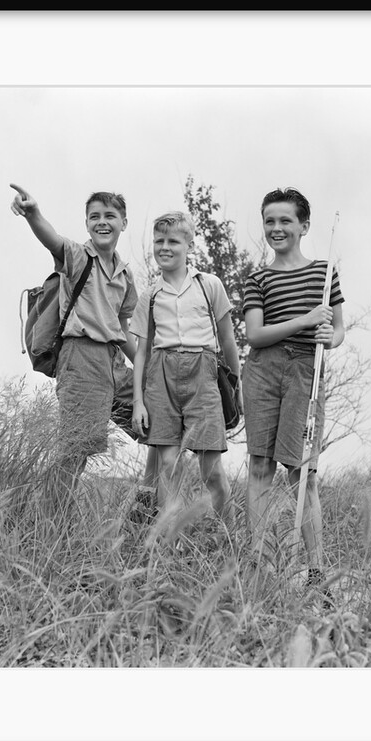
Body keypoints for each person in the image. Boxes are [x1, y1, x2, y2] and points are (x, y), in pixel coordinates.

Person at [9, 183, 158, 517]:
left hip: (113, 362)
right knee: (75, 449)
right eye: (94, 216)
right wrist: (34, 214)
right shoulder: (78, 257)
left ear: (124, 222)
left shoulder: (125, 276)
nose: (102, 222)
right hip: (81, 358)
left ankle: (145, 511)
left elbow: (121, 329)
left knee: (159, 425)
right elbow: (53, 239)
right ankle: (48, 521)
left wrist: (145, 371)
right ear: (87, 223)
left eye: (110, 215)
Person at [241, 187, 345, 594]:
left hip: (305, 371)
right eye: (270, 221)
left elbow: (336, 330)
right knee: (259, 468)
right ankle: (258, 565)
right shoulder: (258, 278)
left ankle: (316, 574)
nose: (276, 228)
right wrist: (305, 319)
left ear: (303, 225)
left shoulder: (324, 272)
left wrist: (328, 334)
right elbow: (255, 334)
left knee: (302, 474)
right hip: (263, 372)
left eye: (285, 220)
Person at [130, 211, 241, 537]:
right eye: (159, 241)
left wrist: (236, 386)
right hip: (161, 376)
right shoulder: (150, 296)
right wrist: (139, 401)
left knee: (212, 472)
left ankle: (227, 538)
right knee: (167, 467)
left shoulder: (209, 286)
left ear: (189, 245)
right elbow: (142, 352)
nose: (165, 247)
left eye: (173, 241)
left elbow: (228, 339)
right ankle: (168, 546)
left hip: (202, 374)